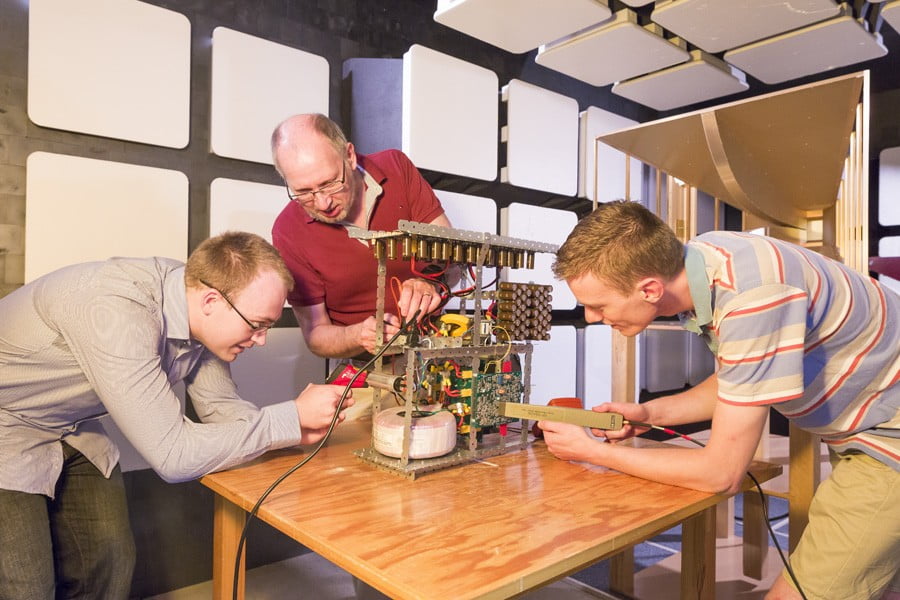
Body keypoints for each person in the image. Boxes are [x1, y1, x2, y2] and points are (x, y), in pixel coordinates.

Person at [542, 201, 900, 600]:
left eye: (599, 305)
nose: (591, 317)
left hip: (888, 438)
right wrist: (649, 413)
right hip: (873, 421)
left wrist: (592, 452)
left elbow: (721, 474)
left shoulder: (753, 298)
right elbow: (740, 378)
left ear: (650, 290)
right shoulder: (707, 259)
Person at [0, 231, 353, 600]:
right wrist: (289, 420)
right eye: (257, 324)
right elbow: (173, 456)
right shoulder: (115, 311)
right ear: (212, 301)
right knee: (26, 587)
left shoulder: (194, 300)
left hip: (71, 424)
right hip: (8, 422)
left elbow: (223, 412)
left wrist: (294, 429)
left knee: (110, 562)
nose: (261, 339)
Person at [270, 113, 450, 359]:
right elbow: (316, 335)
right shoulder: (288, 230)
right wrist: (357, 335)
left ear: (350, 156)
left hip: (435, 347)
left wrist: (430, 281)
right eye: (303, 192)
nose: (323, 203)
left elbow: (449, 246)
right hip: (364, 364)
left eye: (330, 183)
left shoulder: (396, 166)